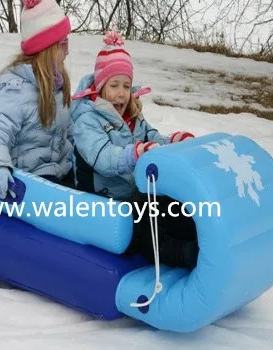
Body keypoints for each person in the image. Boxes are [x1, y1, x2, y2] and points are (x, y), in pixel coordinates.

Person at [70, 30, 198, 269]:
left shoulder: (132, 116)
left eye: (126, 86)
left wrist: (174, 141)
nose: (121, 93)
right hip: (104, 200)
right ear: (100, 87)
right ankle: (182, 254)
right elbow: (103, 158)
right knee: (144, 220)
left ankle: (196, 233)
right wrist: (136, 153)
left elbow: (151, 137)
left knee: (167, 200)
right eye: (114, 85)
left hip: (133, 192)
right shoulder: (87, 121)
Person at [0, 0, 74, 201]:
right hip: (31, 187)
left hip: (62, 178)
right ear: (47, 49)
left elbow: (69, 136)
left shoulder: (57, 88)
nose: (68, 51)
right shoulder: (16, 92)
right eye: (63, 44)